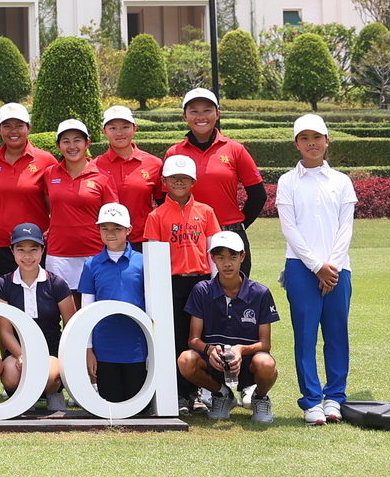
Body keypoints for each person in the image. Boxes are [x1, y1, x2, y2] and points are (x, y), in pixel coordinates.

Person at [275, 113, 355, 425]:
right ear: (296, 144)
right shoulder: (287, 181)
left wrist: (330, 266)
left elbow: (345, 228)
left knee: (337, 335)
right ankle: (311, 400)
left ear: (327, 141)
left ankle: (334, 397)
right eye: (305, 138)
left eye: (317, 138)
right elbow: (290, 229)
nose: (312, 144)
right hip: (300, 267)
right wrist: (317, 266)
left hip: (338, 268)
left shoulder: (341, 181)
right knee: (306, 336)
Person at [141, 155, 219, 407]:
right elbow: (154, 255)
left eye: (185, 178)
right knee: (175, 339)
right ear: (164, 181)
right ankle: (182, 394)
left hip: (202, 283)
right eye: (173, 177)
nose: (179, 182)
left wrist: (215, 284)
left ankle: (206, 392)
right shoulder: (156, 215)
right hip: (171, 284)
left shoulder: (206, 212)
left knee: (202, 337)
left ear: (193, 182)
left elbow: (213, 250)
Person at [179, 231, 280, 424]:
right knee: (185, 360)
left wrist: (240, 350)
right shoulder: (202, 290)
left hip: (249, 362)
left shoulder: (260, 293)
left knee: (266, 364)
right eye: (221, 257)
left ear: (242, 257)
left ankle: (260, 398)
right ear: (212, 258)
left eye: (233, 257)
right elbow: (193, 339)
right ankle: (221, 394)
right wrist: (209, 350)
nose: (227, 264)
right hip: (214, 360)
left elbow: (265, 344)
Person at [164, 87, 265, 274]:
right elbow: (165, 198)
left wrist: (239, 225)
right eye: (194, 111)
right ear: (184, 116)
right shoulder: (174, 153)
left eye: (207, 110)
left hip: (229, 233)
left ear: (217, 114)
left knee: (234, 290)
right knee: (193, 291)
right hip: (189, 237)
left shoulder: (235, 149)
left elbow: (258, 195)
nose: (201, 116)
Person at [0, 222, 76, 416]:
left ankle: (54, 391)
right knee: (10, 376)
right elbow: (5, 330)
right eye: (21, 249)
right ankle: (22, 395)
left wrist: (63, 357)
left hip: (51, 351)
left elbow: (70, 324)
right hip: (18, 352)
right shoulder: (3, 285)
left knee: (49, 375)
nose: (27, 256)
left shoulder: (56, 283)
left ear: (42, 250)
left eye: (33, 249)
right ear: (12, 251)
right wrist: (22, 355)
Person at [76, 203, 150, 409]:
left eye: (117, 228)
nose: (110, 233)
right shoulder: (91, 264)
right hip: (104, 346)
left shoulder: (143, 262)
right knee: (111, 404)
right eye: (105, 228)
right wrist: (88, 349)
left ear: (129, 230)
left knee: (138, 407)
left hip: (136, 345)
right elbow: (86, 310)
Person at [0, 103, 56, 281]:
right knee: (2, 296)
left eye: (19, 125)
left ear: (28, 128)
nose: (13, 131)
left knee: (39, 295)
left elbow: (54, 204)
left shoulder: (46, 160)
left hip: (35, 243)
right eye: (7, 126)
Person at [41, 120, 118, 288]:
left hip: (94, 252)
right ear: (58, 145)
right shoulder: (49, 174)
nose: (72, 146)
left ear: (87, 143)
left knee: (94, 302)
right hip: (59, 252)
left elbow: (112, 216)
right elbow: (50, 207)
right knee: (64, 303)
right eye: (66, 141)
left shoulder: (102, 177)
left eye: (77, 140)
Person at [93, 105, 165, 245]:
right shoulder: (95, 166)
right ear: (104, 132)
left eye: (125, 127)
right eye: (113, 128)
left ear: (135, 128)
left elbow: (162, 203)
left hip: (144, 240)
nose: (119, 133)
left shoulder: (154, 163)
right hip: (106, 243)